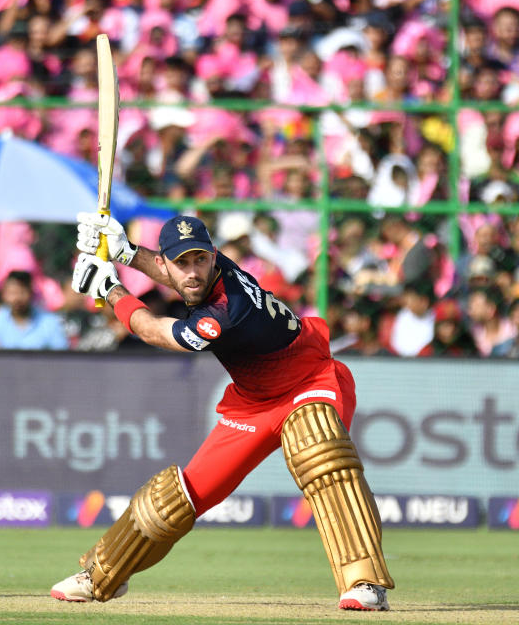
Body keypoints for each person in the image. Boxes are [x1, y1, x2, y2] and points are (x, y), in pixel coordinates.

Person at [51, 213, 394, 611]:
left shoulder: (222, 316)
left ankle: (365, 583)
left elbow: (153, 330)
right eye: (182, 262)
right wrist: (125, 251)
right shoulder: (218, 271)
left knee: (318, 449)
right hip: (253, 404)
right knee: (173, 500)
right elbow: (180, 280)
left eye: (200, 260)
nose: (192, 271)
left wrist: (110, 289)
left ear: (213, 257)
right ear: (166, 263)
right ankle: (102, 573)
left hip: (309, 380)